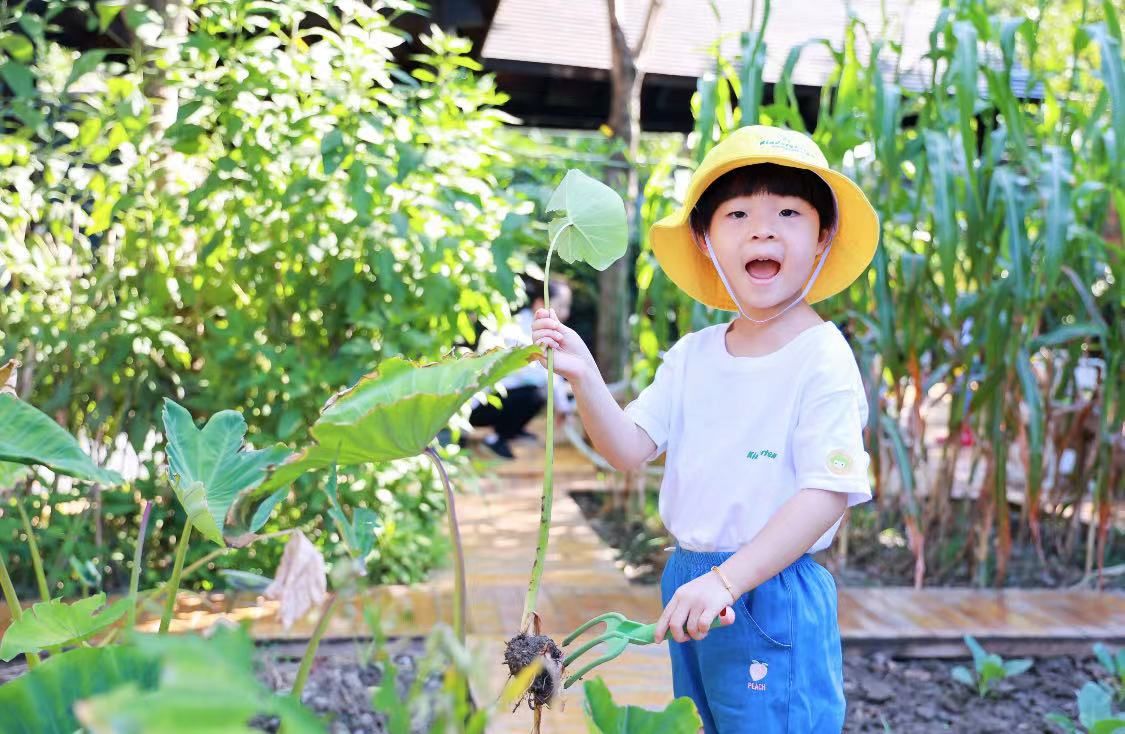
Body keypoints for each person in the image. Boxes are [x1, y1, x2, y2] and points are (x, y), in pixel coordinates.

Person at [530, 126, 878, 732]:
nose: (762, 229)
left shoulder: (822, 357)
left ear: (823, 238)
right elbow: (629, 448)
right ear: (706, 239)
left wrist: (729, 579)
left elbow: (826, 492)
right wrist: (584, 376)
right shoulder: (693, 355)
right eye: (738, 212)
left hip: (769, 587)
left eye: (788, 213)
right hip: (692, 582)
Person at [469, 277, 575, 459]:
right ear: (540, 304)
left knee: (538, 392)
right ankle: (496, 438)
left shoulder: (534, 328)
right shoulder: (516, 330)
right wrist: (562, 406)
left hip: (500, 400)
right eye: (561, 306)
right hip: (479, 406)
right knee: (537, 393)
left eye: (567, 306)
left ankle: (511, 430)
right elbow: (543, 374)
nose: (565, 313)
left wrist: (562, 405)